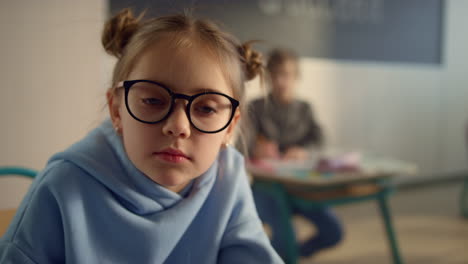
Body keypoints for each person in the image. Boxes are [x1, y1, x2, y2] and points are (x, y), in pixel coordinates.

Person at [0, 9, 283, 264]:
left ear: (230, 127)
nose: (178, 126)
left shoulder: (228, 177)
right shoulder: (62, 186)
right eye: (153, 101)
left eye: (206, 108)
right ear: (117, 110)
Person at [248, 48, 343, 259]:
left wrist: (303, 151)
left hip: (300, 186)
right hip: (266, 187)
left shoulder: (305, 109)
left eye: (287, 74)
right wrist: (255, 148)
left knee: (334, 231)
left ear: (296, 77)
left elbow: (319, 140)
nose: (281, 80)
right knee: (287, 235)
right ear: (268, 76)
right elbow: (241, 144)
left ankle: (290, 256)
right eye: (275, 74)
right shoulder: (255, 107)